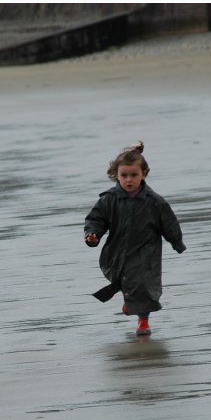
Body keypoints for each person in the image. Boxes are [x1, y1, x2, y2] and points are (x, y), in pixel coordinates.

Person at [84, 141, 186, 336]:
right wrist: (92, 235)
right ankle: (130, 301)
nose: (129, 180)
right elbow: (96, 218)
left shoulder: (154, 201)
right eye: (124, 175)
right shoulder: (108, 199)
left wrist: (176, 241)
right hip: (117, 251)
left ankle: (143, 321)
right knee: (125, 279)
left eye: (134, 175)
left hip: (146, 251)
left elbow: (169, 222)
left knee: (144, 285)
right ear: (116, 175)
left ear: (144, 174)